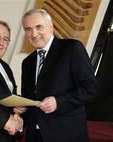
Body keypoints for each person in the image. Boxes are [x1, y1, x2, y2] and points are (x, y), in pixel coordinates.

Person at [18, 8, 98, 142]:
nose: (34, 33)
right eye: (28, 29)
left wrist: (58, 101)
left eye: (39, 27)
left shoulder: (72, 48)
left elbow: (90, 88)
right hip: (34, 136)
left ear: (51, 27)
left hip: (66, 134)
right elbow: (32, 99)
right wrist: (22, 108)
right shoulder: (27, 62)